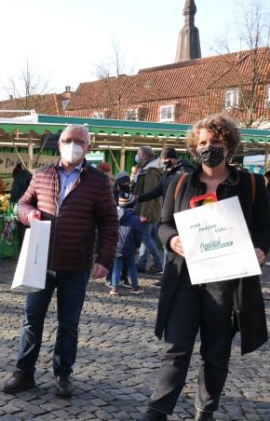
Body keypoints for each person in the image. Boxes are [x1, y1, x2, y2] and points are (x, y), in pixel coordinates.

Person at [142, 114, 270, 421]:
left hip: (227, 280)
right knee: (177, 347)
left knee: (216, 351)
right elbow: (164, 225)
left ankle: (205, 411)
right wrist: (171, 240)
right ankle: (156, 412)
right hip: (186, 277)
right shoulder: (179, 182)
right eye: (202, 142)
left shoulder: (251, 184)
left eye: (215, 142)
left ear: (229, 145)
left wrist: (260, 249)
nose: (208, 147)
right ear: (194, 147)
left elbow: (265, 228)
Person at [3, 124, 118, 398]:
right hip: (39, 262)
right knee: (32, 319)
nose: (73, 145)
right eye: (68, 140)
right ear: (59, 144)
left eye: (79, 141)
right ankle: (24, 372)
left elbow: (110, 223)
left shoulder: (99, 182)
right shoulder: (42, 175)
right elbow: (21, 204)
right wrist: (28, 213)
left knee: (69, 323)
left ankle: (63, 373)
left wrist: (104, 259)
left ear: (88, 147)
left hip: (76, 265)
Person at [133, 146, 164, 274]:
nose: (137, 156)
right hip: (153, 210)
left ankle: (158, 263)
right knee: (148, 237)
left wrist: (144, 214)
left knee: (145, 237)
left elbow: (150, 194)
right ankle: (142, 264)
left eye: (138, 154)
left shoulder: (151, 171)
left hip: (148, 210)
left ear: (144, 156)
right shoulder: (150, 169)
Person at [110, 192, 144, 296]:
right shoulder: (134, 218)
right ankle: (135, 287)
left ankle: (114, 288)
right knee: (132, 267)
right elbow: (138, 235)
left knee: (116, 267)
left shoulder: (114, 215)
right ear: (132, 205)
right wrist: (137, 245)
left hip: (116, 246)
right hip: (130, 247)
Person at [9, 162, 33, 251]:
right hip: (33, 208)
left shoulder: (18, 178)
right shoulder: (31, 176)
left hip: (21, 207)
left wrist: (12, 201)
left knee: (22, 231)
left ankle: (22, 252)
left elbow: (14, 194)